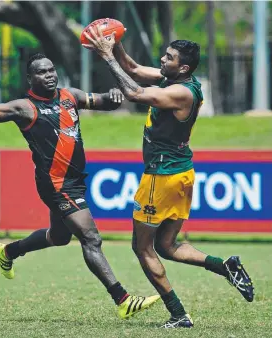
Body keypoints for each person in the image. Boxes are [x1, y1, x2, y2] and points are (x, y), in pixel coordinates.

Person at [0, 50, 160, 319]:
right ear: (29, 78)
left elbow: (104, 101)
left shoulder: (70, 95)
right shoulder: (24, 107)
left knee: (59, 237)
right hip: (56, 184)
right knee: (91, 238)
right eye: (41, 72)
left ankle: (8, 251)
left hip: (75, 180)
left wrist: (114, 96)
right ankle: (123, 299)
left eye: (51, 70)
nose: (49, 75)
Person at [83, 27, 254, 328]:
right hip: (181, 174)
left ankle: (179, 315)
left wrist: (107, 56)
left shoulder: (180, 92)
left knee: (142, 247)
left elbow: (134, 92)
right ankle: (224, 267)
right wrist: (117, 42)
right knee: (167, 246)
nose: (163, 59)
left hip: (161, 178)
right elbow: (133, 69)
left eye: (169, 57)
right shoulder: (176, 81)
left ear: (183, 67)